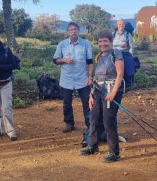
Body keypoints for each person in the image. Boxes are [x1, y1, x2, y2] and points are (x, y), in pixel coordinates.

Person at [79, 29, 124, 163]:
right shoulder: (99, 56)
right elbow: (96, 77)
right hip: (99, 90)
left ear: (111, 41)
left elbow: (120, 74)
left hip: (111, 90)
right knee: (93, 118)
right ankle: (92, 146)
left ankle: (114, 152)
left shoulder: (116, 53)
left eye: (105, 41)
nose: (102, 44)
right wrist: (91, 94)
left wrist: (114, 92)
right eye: (100, 41)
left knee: (108, 121)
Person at [53, 22, 94, 133]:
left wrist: (90, 77)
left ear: (78, 31)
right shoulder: (62, 45)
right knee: (67, 103)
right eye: (71, 29)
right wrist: (64, 60)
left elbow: (90, 62)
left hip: (82, 79)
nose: (73, 31)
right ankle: (69, 123)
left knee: (87, 102)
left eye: (75, 29)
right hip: (66, 80)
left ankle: (90, 124)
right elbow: (55, 60)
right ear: (67, 32)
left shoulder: (86, 44)